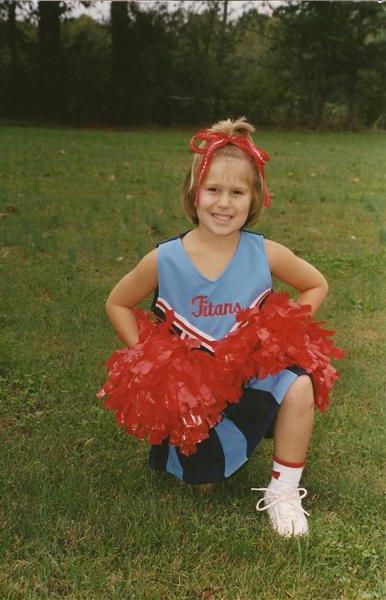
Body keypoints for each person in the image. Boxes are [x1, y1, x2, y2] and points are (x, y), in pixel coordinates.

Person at [104, 117, 330, 537]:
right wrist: (150, 359)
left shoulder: (264, 253)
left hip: (250, 376)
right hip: (195, 394)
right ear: (194, 193)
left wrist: (282, 331)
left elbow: (316, 284)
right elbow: (117, 302)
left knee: (300, 383)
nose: (224, 203)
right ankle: (204, 453)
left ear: (254, 198)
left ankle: (284, 490)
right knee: (201, 483)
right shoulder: (165, 259)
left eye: (237, 192)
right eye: (213, 190)